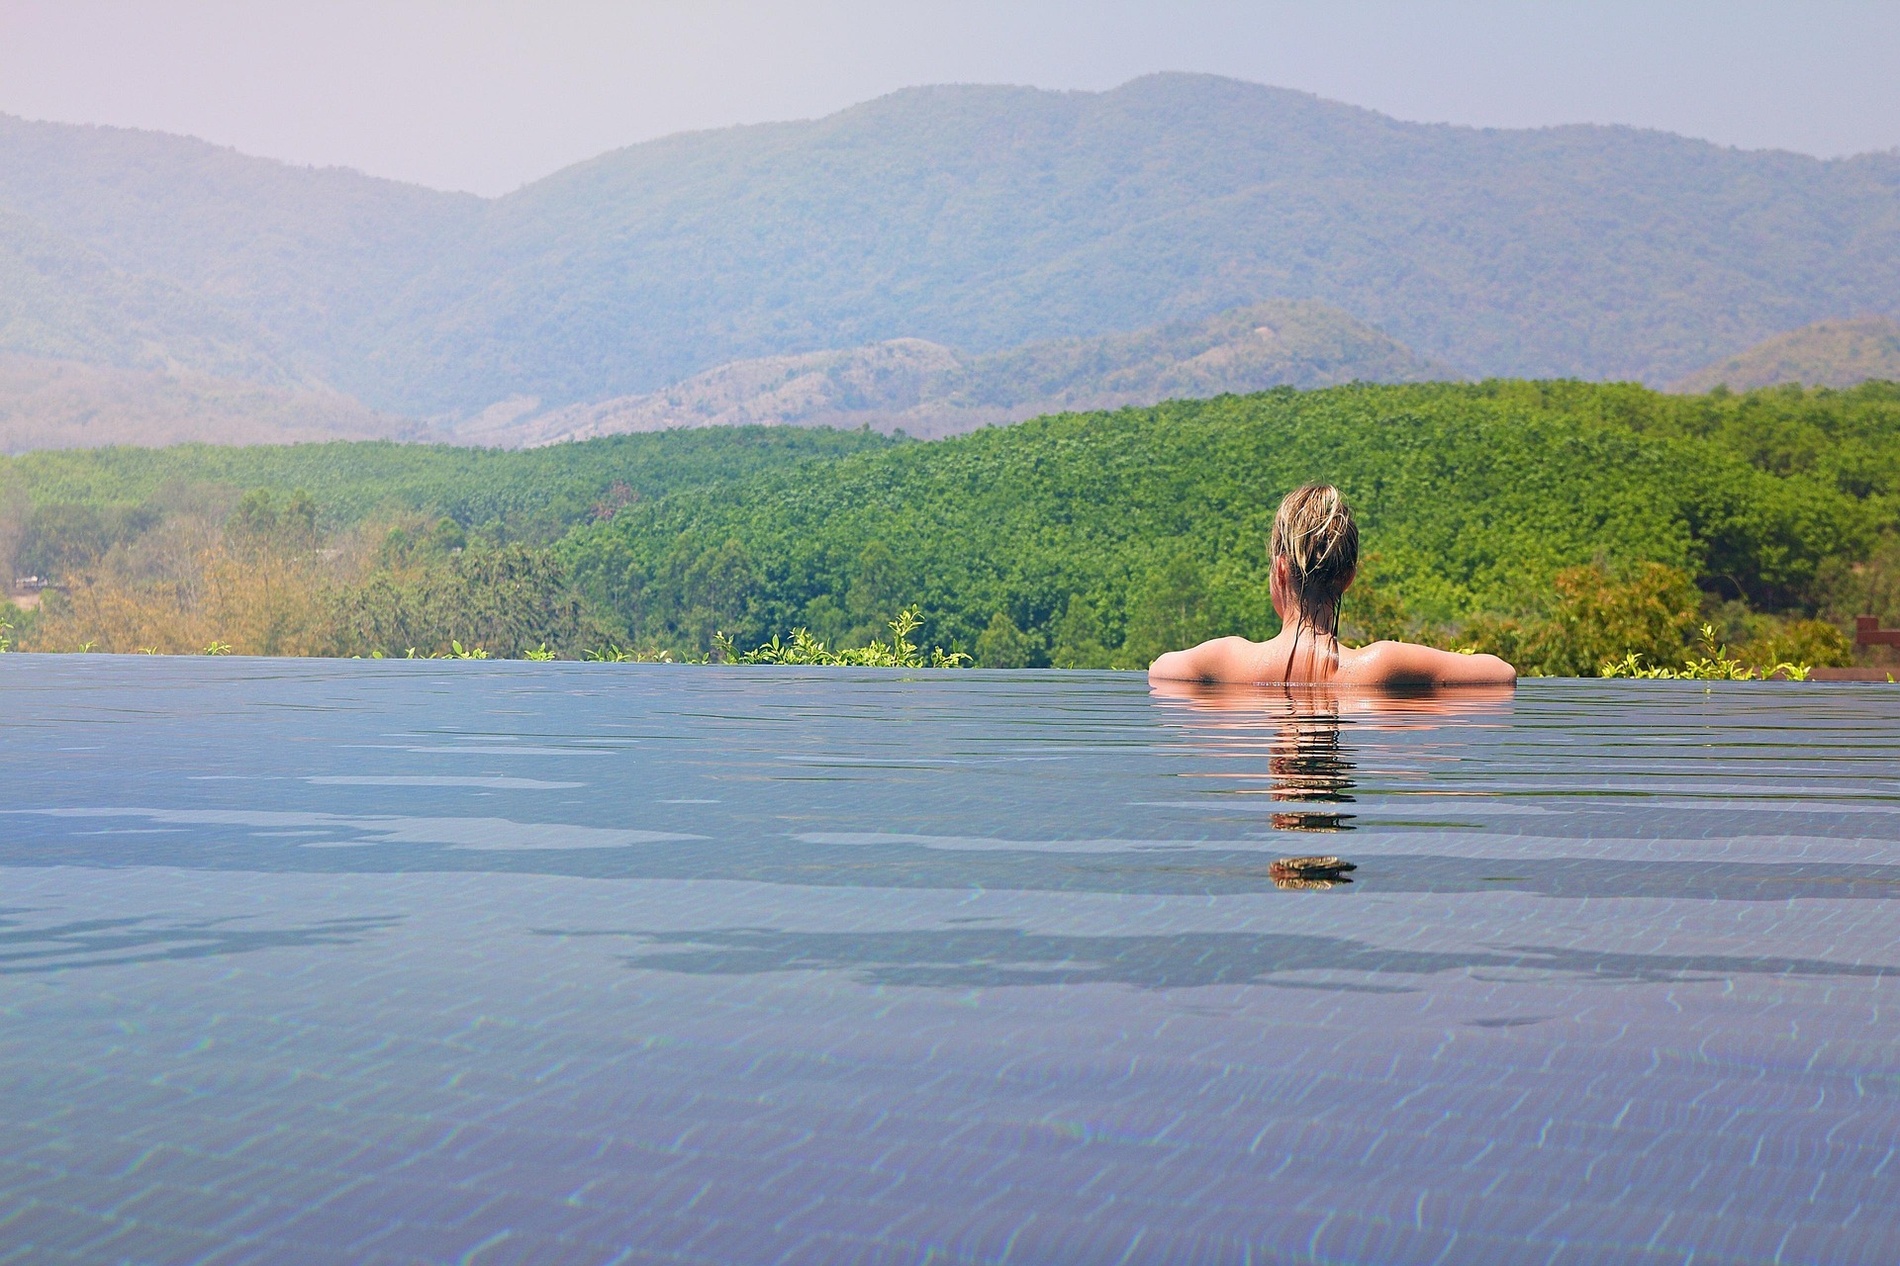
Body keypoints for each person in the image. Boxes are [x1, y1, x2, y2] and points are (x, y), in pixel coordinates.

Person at [1146, 483, 1516, 687]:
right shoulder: (1383, 665)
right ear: (1349, 577)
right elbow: (1502, 674)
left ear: (1279, 570)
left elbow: (1159, 669)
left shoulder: (1225, 659)